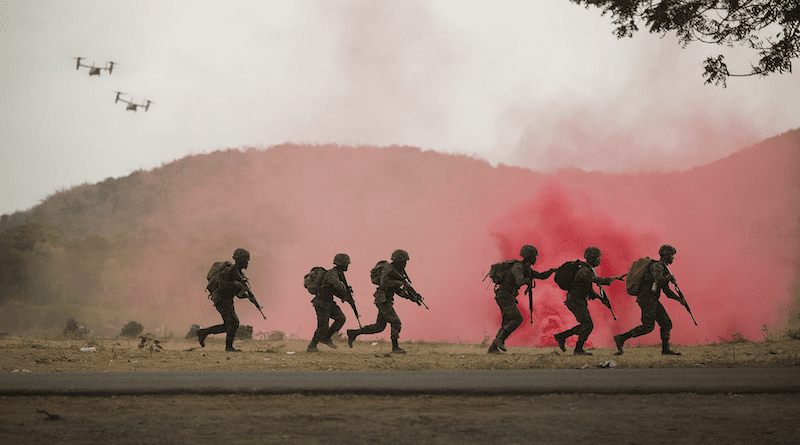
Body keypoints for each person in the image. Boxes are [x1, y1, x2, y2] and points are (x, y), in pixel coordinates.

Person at [553, 246, 625, 355]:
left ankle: (562, 336)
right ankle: (577, 349)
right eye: (598, 257)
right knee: (588, 325)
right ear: (592, 258)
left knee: (586, 324)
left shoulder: (587, 269)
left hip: (577, 300)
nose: (599, 259)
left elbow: (588, 289)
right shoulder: (585, 270)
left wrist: (601, 299)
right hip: (575, 301)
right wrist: (615, 278)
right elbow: (598, 280)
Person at [613, 244, 683, 356]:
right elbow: (659, 281)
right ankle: (621, 338)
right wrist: (669, 278)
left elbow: (666, 291)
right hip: (647, 298)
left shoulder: (663, 268)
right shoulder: (657, 266)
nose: (673, 258)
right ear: (665, 256)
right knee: (648, 326)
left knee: (666, 323)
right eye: (671, 255)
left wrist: (679, 299)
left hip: (652, 299)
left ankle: (665, 350)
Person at [347, 249, 418, 354]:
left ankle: (354, 333)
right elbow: (384, 284)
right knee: (395, 322)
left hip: (386, 300)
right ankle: (395, 347)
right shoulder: (388, 269)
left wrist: (410, 297)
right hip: (382, 299)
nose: (405, 264)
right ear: (398, 261)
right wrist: (398, 282)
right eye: (403, 262)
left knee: (379, 327)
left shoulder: (397, 272)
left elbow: (397, 291)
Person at [488, 245, 556, 354]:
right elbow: (520, 281)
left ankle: (493, 348)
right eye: (534, 256)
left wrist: (552, 271)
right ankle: (499, 340)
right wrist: (527, 280)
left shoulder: (526, 268)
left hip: (507, 296)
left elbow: (540, 276)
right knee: (517, 318)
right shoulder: (518, 267)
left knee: (507, 322)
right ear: (529, 257)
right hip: (504, 296)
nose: (535, 259)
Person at [196, 248, 251, 352]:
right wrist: (235, 284)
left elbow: (237, 294)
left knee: (228, 325)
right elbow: (222, 286)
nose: (247, 263)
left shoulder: (239, 274)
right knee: (233, 322)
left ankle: (203, 333)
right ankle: (229, 347)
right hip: (221, 299)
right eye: (246, 260)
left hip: (227, 300)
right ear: (240, 260)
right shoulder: (229, 271)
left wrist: (246, 295)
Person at [307, 253, 354, 352]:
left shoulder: (338, 273)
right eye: (347, 264)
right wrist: (345, 291)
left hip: (329, 302)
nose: (347, 266)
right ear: (343, 264)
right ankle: (312, 346)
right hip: (321, 302)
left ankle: (326, 338)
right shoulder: (332, 273)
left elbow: (335, 290)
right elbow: (337, 286)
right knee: (323, 326)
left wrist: (345, 296)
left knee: (341, 318)